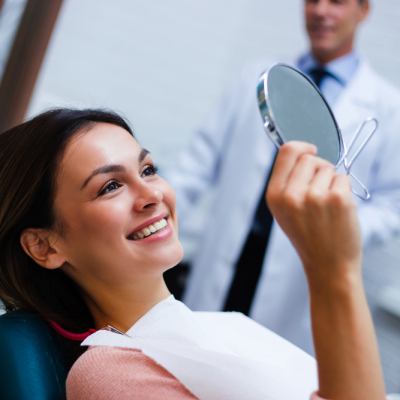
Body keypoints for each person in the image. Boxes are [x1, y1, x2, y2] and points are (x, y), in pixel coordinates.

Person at [0, 108, 386, 399]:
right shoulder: (110, 374)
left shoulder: (228, 327)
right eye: (111, 186)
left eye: (148, 169)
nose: (153, 194)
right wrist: (333, 271)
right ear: (44, 246)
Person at [165, 0, 400, 353]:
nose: (321, 11)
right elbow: (197, 162)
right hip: (226, 259)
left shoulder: (386, 108)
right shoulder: (255, 77)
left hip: (299, 275)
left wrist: (338, 228)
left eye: (336, 1)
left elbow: (392, 205)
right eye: (312, 0)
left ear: (363, 10)